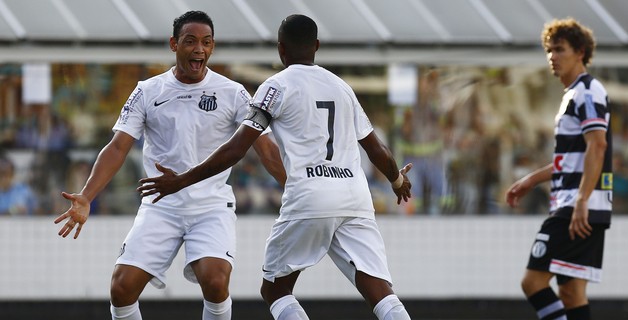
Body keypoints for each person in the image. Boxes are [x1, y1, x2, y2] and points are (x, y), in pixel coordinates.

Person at [138, 14, 414, 320]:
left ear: (281, 49)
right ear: (317, 47)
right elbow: (377, 149)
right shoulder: (341, 87)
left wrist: (182, 180)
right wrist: (397, 180)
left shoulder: (275, 87)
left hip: (310, 196)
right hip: (355, 198)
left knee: (275, 290)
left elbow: (236, 148)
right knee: (378, 287)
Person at [53, 10, 285, 320]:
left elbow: (268, 150)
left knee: (215, 283)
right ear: (174, 44)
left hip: (210, 207)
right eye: (190, 41)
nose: (199, 49)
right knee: (121, 289)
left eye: (206, 42)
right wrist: (86, 195)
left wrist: (296, 191)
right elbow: (118, 146)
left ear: (213, 47)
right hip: (160, 206)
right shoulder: (147, 91)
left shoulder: (234, 93)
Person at [505, 18, 612, 320]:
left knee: (532, 282)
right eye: (549, 51)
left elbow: (597, 146)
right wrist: (530, 180)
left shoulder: (588, 92)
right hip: (581, 204)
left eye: (560, 49)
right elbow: (572, 158)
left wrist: (580, 201)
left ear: (580, 52)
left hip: (576, 207)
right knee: (571, 292)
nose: (552, 57)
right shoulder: (573, 95)